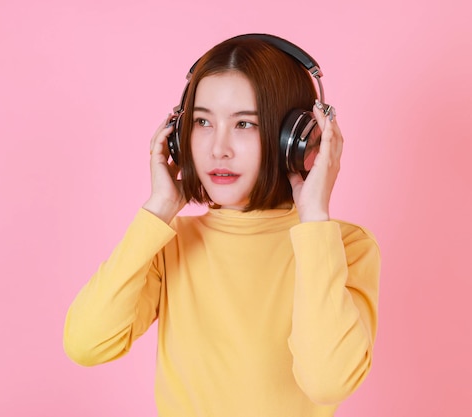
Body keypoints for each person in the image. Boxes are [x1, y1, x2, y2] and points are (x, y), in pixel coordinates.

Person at [63, 33, 380, 417]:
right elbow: (86, 344)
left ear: (296, 138)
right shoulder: (169, 245)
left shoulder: (342, 246)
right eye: (202, 122)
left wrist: (314, 221)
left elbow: (327, 381)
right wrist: (160, 208)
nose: (218, 148)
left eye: (244, 124)